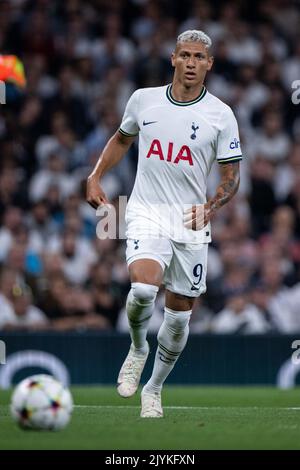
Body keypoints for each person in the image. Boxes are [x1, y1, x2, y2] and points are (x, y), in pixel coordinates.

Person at [86, 30, 242, 418]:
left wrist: (214, 205)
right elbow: (122, 139)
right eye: (185, 55)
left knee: (178, 315)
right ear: (173, 58)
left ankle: (153, 389)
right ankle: (138, 347)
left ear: (209, 64)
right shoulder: (143, 99)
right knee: (141, 289)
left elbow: (230, 175)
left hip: (190, 221)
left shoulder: (221, 114)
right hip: (146, 211)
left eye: (199, 57)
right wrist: (95, 176)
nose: (191, 63)